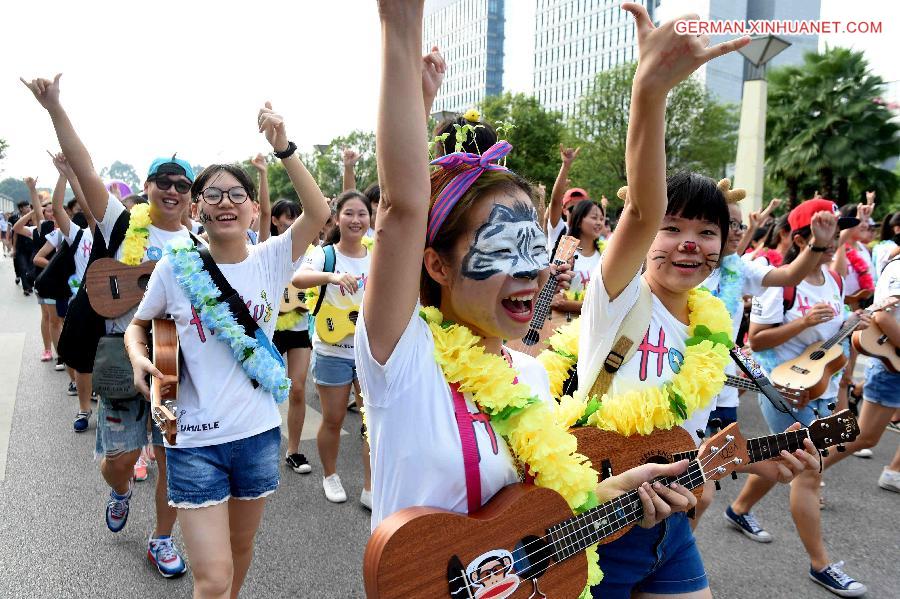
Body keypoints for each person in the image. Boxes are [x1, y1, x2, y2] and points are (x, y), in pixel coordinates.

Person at [361, 11, 715, 591]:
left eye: (533, 250)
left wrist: (613, 493)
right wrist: (400, 31)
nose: (529, 271)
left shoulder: (528, 374)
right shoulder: (402, 353)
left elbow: (533, 515)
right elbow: (402, 210)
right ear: (436, 264)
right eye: (503, 249)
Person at [572, 8, 820, 598]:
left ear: (727, 243)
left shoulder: (714, 332)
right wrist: (650, 90)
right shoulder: (618, 295)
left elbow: (696, 445)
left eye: (708, 232)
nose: (690, 242)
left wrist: (763, 459)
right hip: (590, 524)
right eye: (671, 226)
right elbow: (638, 209)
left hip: (672, 528)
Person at [126, 101, 330, 599]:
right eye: (212, 194)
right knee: (212, 577)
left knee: (240, 552)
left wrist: (283, 147)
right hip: (192, 440)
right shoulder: (175, 268)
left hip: (258, 436)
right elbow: (138, 325)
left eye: (236, 194)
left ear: (253, 209)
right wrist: (138, 357)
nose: (225, 201)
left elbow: (319, 213)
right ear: (198, 208)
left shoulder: (271, 259)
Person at [22, 72, 189, 578]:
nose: (174, 190)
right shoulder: (122, 224)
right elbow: (86, 166)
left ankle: (162, 539)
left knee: (172, 461)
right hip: (121, 358)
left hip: (174, 366)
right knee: (120, 459)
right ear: (147, 188)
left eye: (183, 184)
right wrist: (54, 108)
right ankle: (119, 491)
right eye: (164, 181)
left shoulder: (199, 243)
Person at [728, 198, 871, 597]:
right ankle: (821, 565)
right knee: (809, 470)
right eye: (823, 230)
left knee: (787, 463)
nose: (833, 238)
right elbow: (755, 339)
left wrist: (852, 325)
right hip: (782, 390)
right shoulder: (781, 284)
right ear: (801, 237)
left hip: (820, 387)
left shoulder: (835, 280)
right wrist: (804, 322)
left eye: (837, 229)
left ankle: (738, 509)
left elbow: (832, 340)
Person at [294, 190, 373, 506]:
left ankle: (370, 487)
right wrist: (332, 276)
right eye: (349, 213)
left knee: (372, 422)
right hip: (332, 350)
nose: (356, 220)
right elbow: (299, 278)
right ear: (338, 217)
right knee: (334, 419)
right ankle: (330, 475)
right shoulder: (325, 254)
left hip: (369, 353)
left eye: (362, 214)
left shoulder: (376, 252)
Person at [823, 243, 900, 491]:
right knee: (864, 436)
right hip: (891, 364)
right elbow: (883, 316)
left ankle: (893, 472)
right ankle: (808, 472)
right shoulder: (898, 268)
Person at [271, 201, 314, 476]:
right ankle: (257, 448)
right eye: (287, 218)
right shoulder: (267, 247)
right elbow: (261, 212)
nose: (292, 222)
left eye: (296, 218)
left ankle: (293, 451)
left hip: (299, 328)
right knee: (263, 390)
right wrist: (263, 174)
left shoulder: (311, 252)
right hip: (271, 329)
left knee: (298, 389)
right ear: (275, 220)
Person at [550, 198, 604, 317]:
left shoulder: (605, 253)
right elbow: (555, 299)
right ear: (579, 221)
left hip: (596, 325)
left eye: (601, 218)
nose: (599, 222)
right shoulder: (566, 248)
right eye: (594, 218)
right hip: (566, 326)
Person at [546, 145, 586, 250]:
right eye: (572, 208)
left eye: (582, 209)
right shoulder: (559, 229)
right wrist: (566, 166)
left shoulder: (594, 241)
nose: (578, 212)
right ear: (564, 210)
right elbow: (555, 201)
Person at [11, 200, 35, 294]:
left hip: (32, 247)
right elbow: (15, 235)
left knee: (32, 269)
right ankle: (26, 288)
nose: (29, 208)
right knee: (23, 267)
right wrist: (14, 248)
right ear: (21, 208)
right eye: (26, 207)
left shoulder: (33, 218)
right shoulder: (16, 219)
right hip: (20, 248)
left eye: (29, 206)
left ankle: (30, 283)